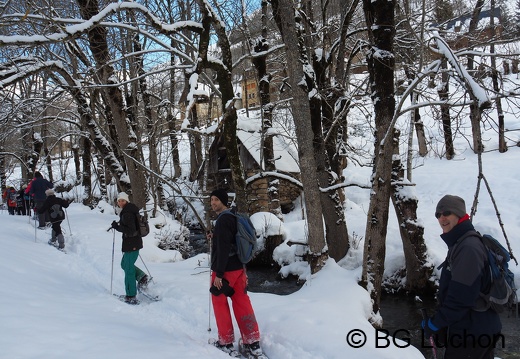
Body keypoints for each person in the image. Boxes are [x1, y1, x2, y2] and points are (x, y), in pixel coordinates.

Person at [422, 195, 502, 359]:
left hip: (472, 332)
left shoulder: (468, 248)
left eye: (446, 213)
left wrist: (435, 323)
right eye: (438, 214)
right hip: (479, 327)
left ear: (459, 215)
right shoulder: (461, 242)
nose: (441, 218)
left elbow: (461, 297)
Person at [207, 189, 264, 357]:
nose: (213, 202)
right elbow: (230, 240)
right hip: (240, 268)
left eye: (216, 199)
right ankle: (252, 342)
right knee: (242, 302)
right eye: (211, 199)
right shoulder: (233, 217)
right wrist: (215, 235)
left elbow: (224, 248)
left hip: (225, 271)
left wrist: (218, 274)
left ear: (224, 201)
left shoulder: (223, 221)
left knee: (219, 302)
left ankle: (225, 342)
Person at [110, 192, 149, 305]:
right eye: (119, 201)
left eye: (122, 200)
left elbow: (131, 230)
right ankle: (142, 278)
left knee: (128, 269)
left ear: (126, 201)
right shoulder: (130, 210)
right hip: (133, 243)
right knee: (124, 265)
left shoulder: (127, 213)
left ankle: (131, 296)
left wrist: (117, 227)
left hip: (131, 243)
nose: (120, 202)